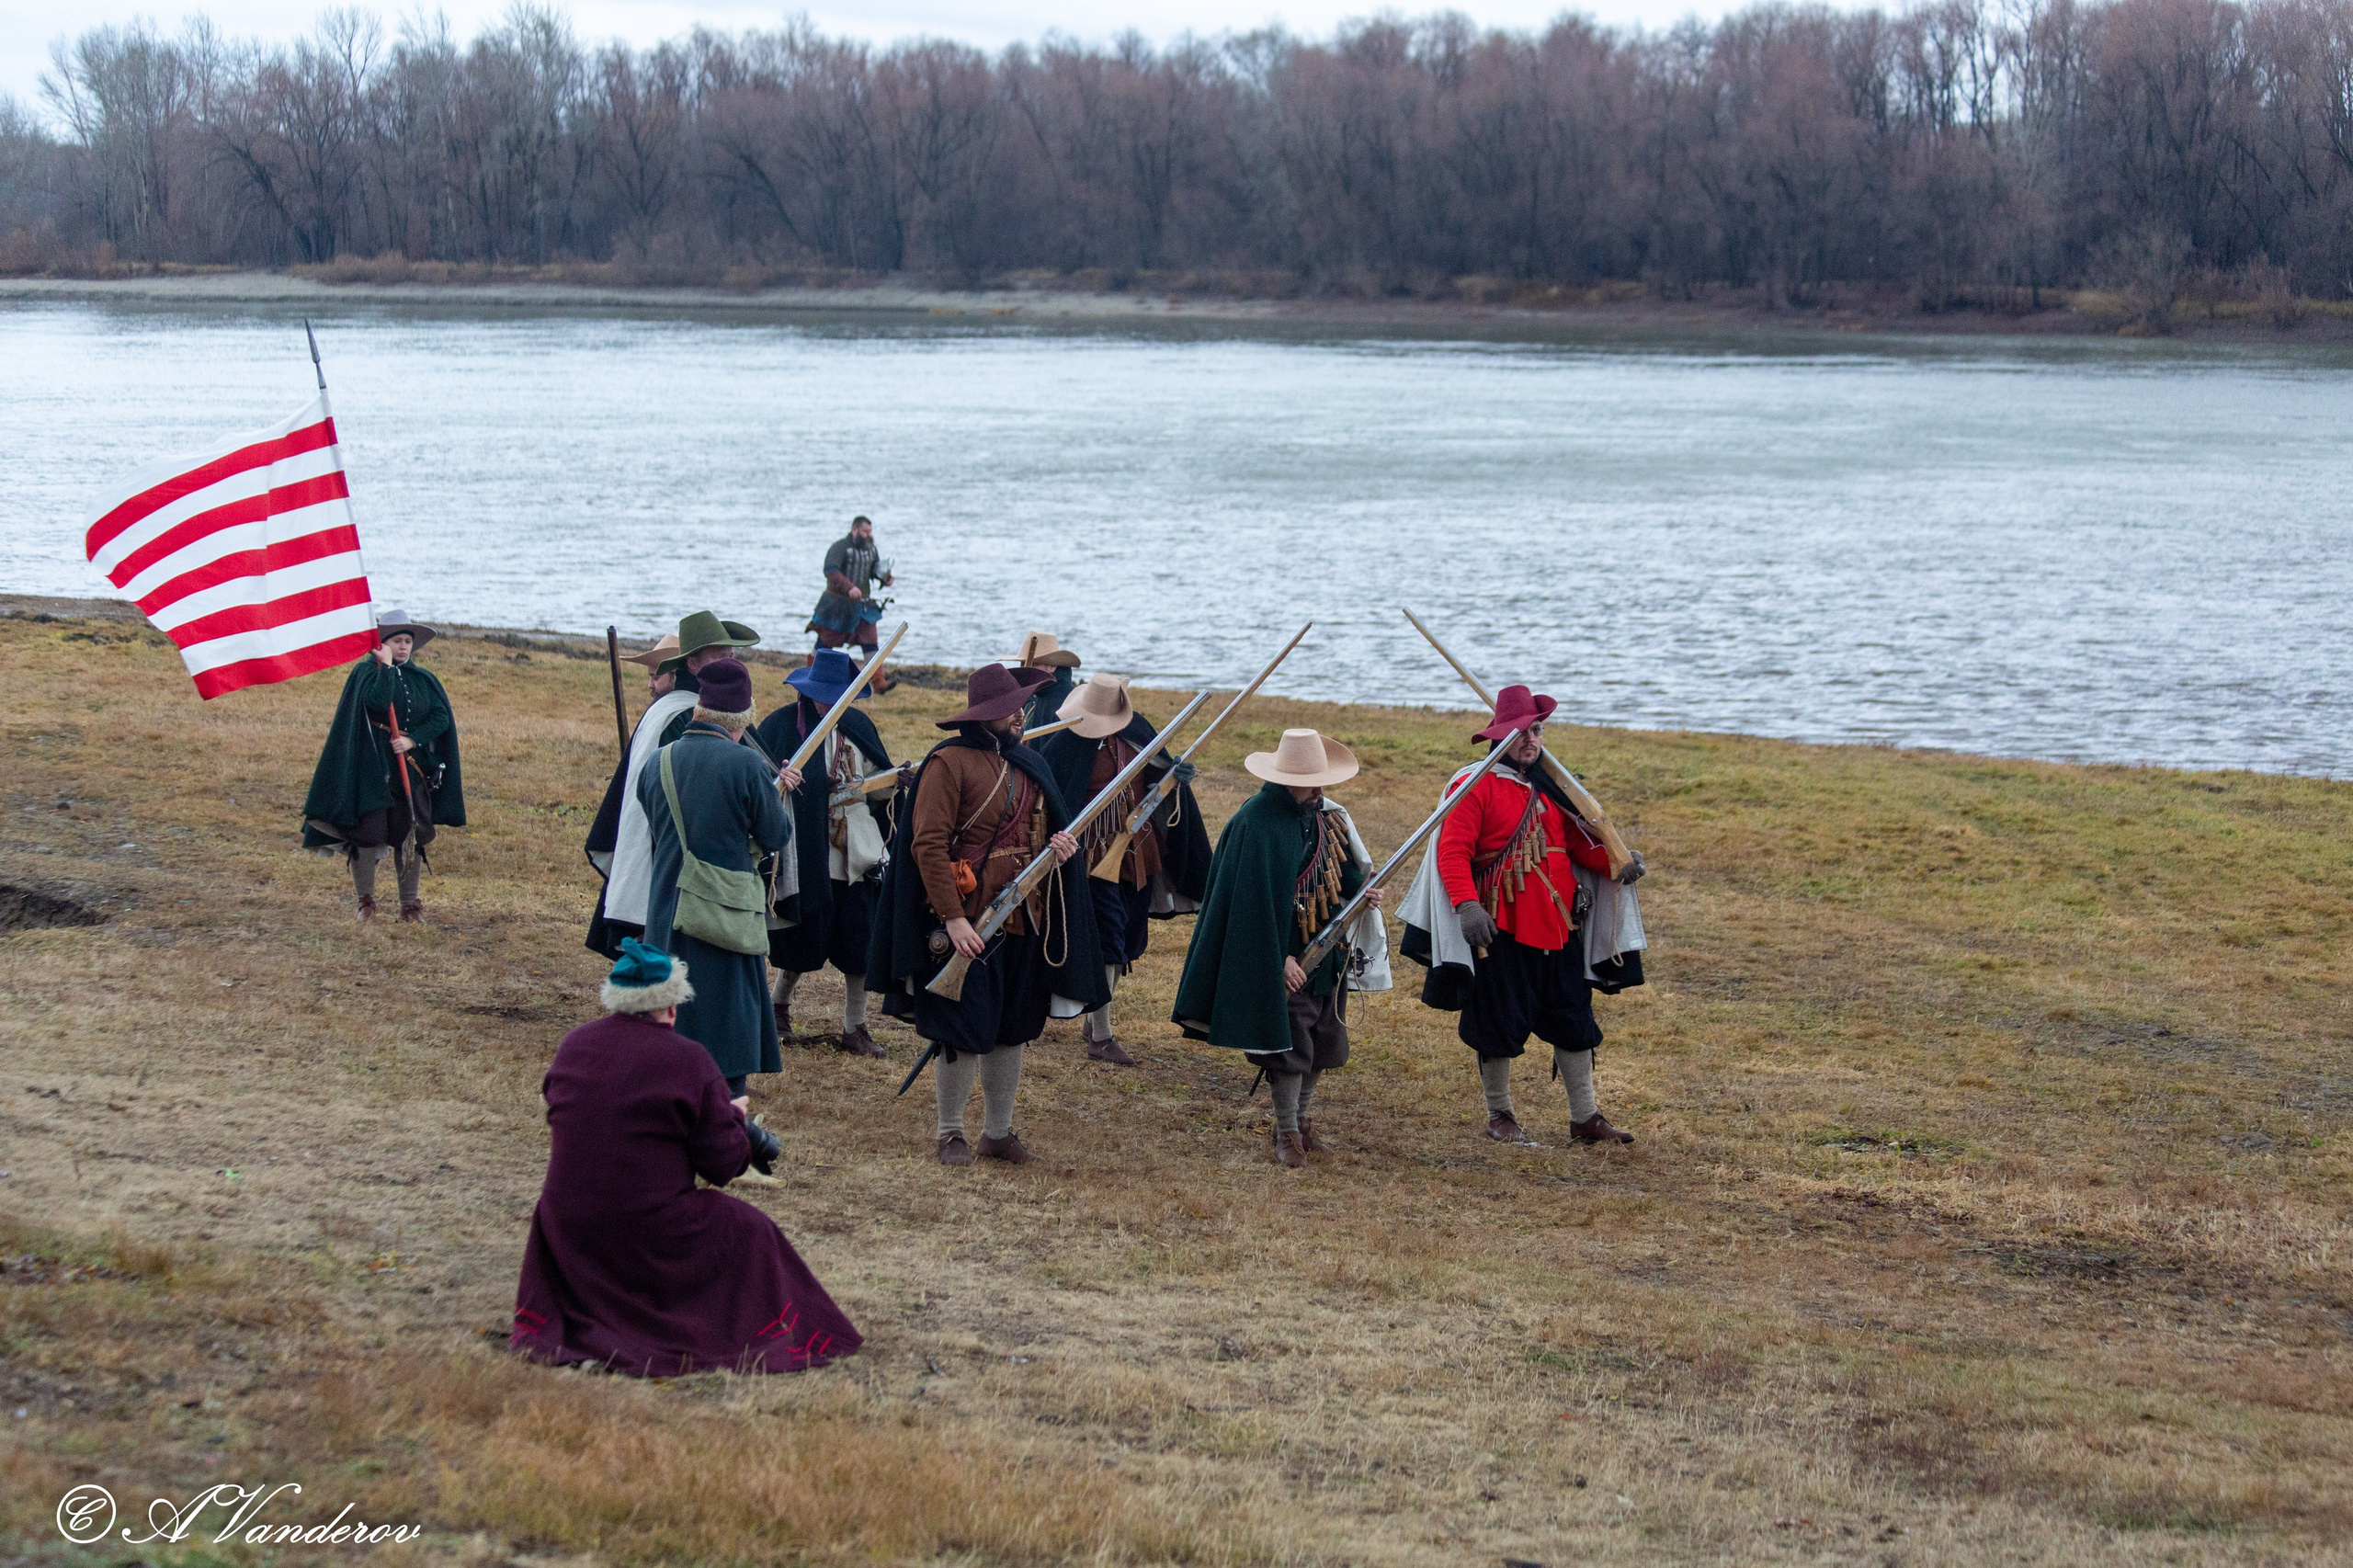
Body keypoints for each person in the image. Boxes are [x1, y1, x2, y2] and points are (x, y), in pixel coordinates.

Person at [509, 938, 861, 1376]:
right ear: (672, 1006)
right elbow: (723, 1166)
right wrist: (731, 1120)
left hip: (566, 1224)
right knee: (751, 1229)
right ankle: (693, 1328)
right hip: (645, 1226)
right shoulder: (688, 1060)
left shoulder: (575, 1044)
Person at [866, 664, 1110, 1165]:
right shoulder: (948, 764)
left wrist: (1060, 847)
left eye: (1020, 707)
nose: (1020, 715)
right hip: (970, 918)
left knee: (1012, 1027)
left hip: (1024, 917)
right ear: (984, 715)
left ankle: (998, 1133)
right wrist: (953, 918)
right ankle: (950, 1132)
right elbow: (928, 846)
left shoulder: (1028, 763)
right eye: (1010, 709)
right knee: (959, 1030)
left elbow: (1041, 830)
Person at [1397, 685, 1649, 1145]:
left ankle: (1586, 1118)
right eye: (1520, 733)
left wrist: (1617, 862)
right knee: (1497, 1022)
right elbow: (1452, 852)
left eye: (1536, 731)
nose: (1531, 740)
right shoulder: (1473, 785)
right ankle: (1501, 1115)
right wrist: (1466, 905)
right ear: (1500, 737)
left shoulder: (1551, 788)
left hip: (1560, 928)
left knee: (1574, 1021)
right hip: (1501, 930)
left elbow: (1575, 846)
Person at [1171, 729, 1390, 1168]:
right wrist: (1279, 960)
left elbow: (1341, 873)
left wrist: (1363, 891)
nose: (1319, 790)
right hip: (1279, 952)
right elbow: (1246, 907)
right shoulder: (1254, 823)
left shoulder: (1324, 816)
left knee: (1324, 1038)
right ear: (1287, 780)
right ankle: (1286, 1131)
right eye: (1310, 782)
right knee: (1289, 1046)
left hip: (1325, 951)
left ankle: (1301, 1123)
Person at [637, 657, 799, 1102]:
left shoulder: (657, 762)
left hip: (667, 908)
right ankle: (722, 1110)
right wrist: (776, 794)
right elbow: (775, 835)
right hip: (722, 914)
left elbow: (655, 825)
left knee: (669, 1012)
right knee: (726, 1021)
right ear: (742, 720)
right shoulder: (747, 764)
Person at [1032, 674, 1211, 1064]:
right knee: (1108, 940)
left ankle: (1094, 1019)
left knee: (1128, 935)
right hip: (1090, 858)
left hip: (1138, 852)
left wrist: (1175, 775)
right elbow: (1050, 797)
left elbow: (1156, 776)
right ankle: (1102, 1035)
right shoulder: (1065, 744)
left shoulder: (1138, 732)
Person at [585, 613, 761, 955]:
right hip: (672, 852)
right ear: (692, 663)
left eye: (731, 654)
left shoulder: (692, 707)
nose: (729, 660)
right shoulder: (682, 714)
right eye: (718, 654)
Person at [753, 648, 899, 1057]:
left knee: (859, 944)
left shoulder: (858, 726)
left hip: (858, 855)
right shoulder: (783, 725)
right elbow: (762, 785)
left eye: (837, 696)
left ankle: (855, 1027)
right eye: (823, 695)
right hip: (807, 853)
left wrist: (893, 781)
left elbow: (876, 785)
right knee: (802, 938)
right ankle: (778, 1008)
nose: (829, 703)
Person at [301, 608, 466, 924]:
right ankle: (366, 902)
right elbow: (377, 702)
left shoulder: (423, 679)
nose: (403, 646)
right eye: (396, 640)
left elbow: (440, 717)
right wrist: (386, 668)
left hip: (412, 770)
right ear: (382, 644)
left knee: (411, 836)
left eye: (407, 641)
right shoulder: (366, 673)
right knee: (368, 834)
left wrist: (412, 740)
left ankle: (409, 906)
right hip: (373, 768)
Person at [584, 634, 695, 958]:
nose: (650, 685)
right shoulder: (668, 712)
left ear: (675, 675)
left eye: (655, 676)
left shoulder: (676, 713)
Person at [808, 517, 893, 688]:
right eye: (865, 531)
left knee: (870, 642)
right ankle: (809, 675)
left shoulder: (871, 549)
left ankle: (879, 682)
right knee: (825, 642)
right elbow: (831, 570)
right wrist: (849, 587)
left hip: (862, 607)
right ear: (855, 530)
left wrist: (885, 578)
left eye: (870, 531)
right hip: (837, 606)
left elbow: (874, 569)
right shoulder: (840, 547)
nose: (869, 535)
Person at [1011, 630, 1082, 730]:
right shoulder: (1038, 694)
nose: (1024, 670)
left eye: (1033, 664)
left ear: (1052, 666)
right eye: (1023, 664)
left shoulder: (1063, 702)